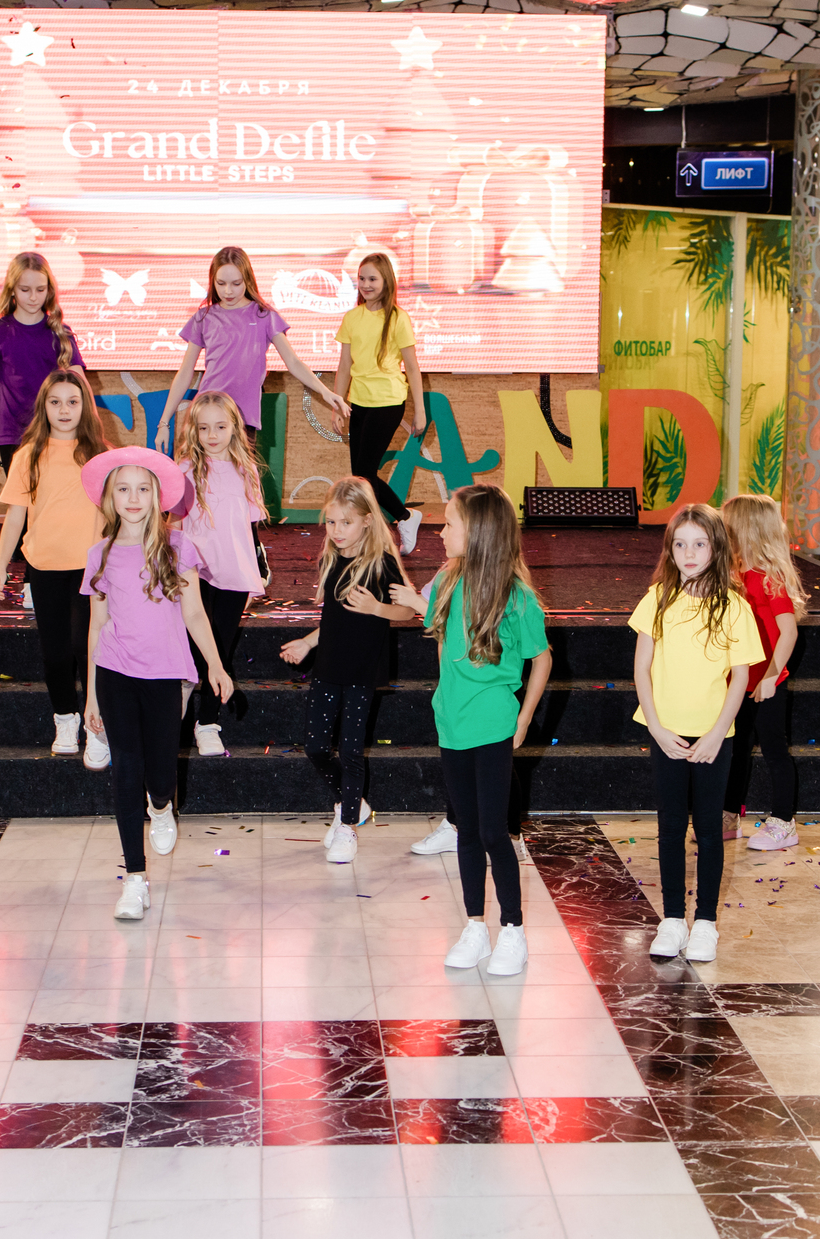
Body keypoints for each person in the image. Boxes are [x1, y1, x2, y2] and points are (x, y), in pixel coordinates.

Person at [391, 484, 551, 976]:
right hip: (452, 723)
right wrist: (446, 693)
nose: (441, 532)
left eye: (450, 523)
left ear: (478, 531)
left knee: (492, 832)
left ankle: (513, 930)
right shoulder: (446, 581)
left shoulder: (517, 598)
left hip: (493, 725)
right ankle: (475, 925)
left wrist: (524, 717)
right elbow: (444, 638)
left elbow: (542, 659)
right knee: (465, 831)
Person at [81, 448, 235, 922]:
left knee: (161, 774)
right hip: (115, 672)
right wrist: (91, 696)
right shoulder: (100, 555)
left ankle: (162, 805)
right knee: (126, 769)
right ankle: (134, 878)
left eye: (142, 489)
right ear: (109, 497)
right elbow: (96, 626)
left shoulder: (178, 546)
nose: (133, 498)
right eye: (123, 489)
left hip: (166, 674)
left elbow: (194, 613)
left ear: (157, 496)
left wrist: (216, 665)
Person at [630, 503, 764, 965]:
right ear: (670, 550)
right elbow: (642, 668)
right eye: (680, 544)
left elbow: (741, 676)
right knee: (670, 827)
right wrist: (656, 726)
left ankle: (705, 922)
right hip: (665, 733)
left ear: (716, 548)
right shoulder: (657, 599)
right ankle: (672, 919)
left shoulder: (734, 606)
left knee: (708, 829)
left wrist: (717, 733)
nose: (689, 554)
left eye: (700, 544)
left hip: (713, 737)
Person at [279, 477, 413, 864]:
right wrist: (308, 643)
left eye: (346, 523)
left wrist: (377, 609)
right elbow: (335, 619)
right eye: (331, 522)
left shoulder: (382, 562)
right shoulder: (332, 559)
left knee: (351, 749)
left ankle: (348, 825)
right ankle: (350, 803)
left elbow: (408, 609)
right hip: (329, 664)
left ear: (367, 520)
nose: (337, 531)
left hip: (362, 669)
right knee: (316, 746)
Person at [0, 368, 109, 765]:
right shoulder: (28, 455)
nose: (64, 410)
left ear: (85, 407)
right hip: (44, 569)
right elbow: (15, 516)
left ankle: (97, 726)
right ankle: (65, 719)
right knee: (55, 652)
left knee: (86, 647)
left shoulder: (100, 455)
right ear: (44, 407)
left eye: (72, 402)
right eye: (55, 402)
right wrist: (1, 565)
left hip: (89, 571)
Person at [153, 245, 348, 449]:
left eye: (236, 283)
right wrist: (164, 423)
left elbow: (293, 362)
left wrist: (325, 391)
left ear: (247, 279)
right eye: (221, 283)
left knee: (241, 470)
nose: (228, 291)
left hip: (243, 419)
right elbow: (185, 371)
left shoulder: (264, 316)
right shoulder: (204, 317)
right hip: (207, 416)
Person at [173, 391, 267, 757]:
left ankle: (208, 722)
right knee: (195, 645)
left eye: (221, 427)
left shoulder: (247, 470)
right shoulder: (184, 470)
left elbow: (249, 525)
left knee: (220, 649)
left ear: (235, 428)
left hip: (233, 572)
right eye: (203, 428)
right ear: (193, 430)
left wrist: (258, 565)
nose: (212, 435)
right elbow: (175, 523)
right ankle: (180, 709)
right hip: (194, 572)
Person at [0, 253, 89, 506]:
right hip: (11, 430)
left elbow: (81, 384)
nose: (33, 297)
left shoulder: (60, 333)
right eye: (25, 290)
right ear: (12, 289)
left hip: (53, 429)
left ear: (49, 290)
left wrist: (90, 431)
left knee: (50, 502)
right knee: (21, 503)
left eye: (40, 290)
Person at [722, 494, 808, 852]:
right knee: (736, 747)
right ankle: (729, 814)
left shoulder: (769, 578)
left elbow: (788, 632)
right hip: (738, 681)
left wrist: (771, 676)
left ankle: (784, 822)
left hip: (766, 682)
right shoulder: (735, 575)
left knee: (773, 749)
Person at [334, 256, 427, 554]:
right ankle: (397, 521)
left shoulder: (398, 318)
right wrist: (338, 404)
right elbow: (344, 366)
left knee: (364, 476)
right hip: (359, 402)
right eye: (362, 278)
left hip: (388, 402)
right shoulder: (352, 317)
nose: (365, 284)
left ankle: (390, 526)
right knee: (362, 477)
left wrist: (420, 410)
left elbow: (412, 367)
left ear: (386, 280)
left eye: (372, 279)